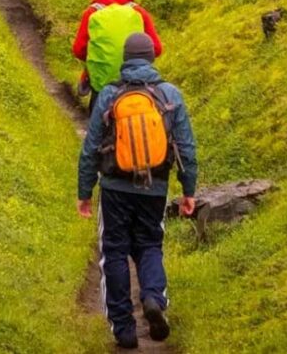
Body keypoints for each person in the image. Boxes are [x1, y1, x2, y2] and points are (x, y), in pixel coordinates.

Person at [79, 33, 197, 348]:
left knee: (114, 251)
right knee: (149, 245)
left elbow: (91, 147)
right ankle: (153, 297)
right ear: (151, 58)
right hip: (154, 187)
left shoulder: (109, 94)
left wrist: (84, 191)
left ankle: (124, 329)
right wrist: (189, 190)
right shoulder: (169, 94)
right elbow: (186, 148)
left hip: (114, 188)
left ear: (126, 59)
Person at [73, 0, 163, 98]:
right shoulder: (138, 11)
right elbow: (157, 49)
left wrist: (98, 57)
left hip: (102, 79)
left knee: (98, 108)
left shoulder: (92, 12)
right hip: (136, 82)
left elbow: (79, 50)